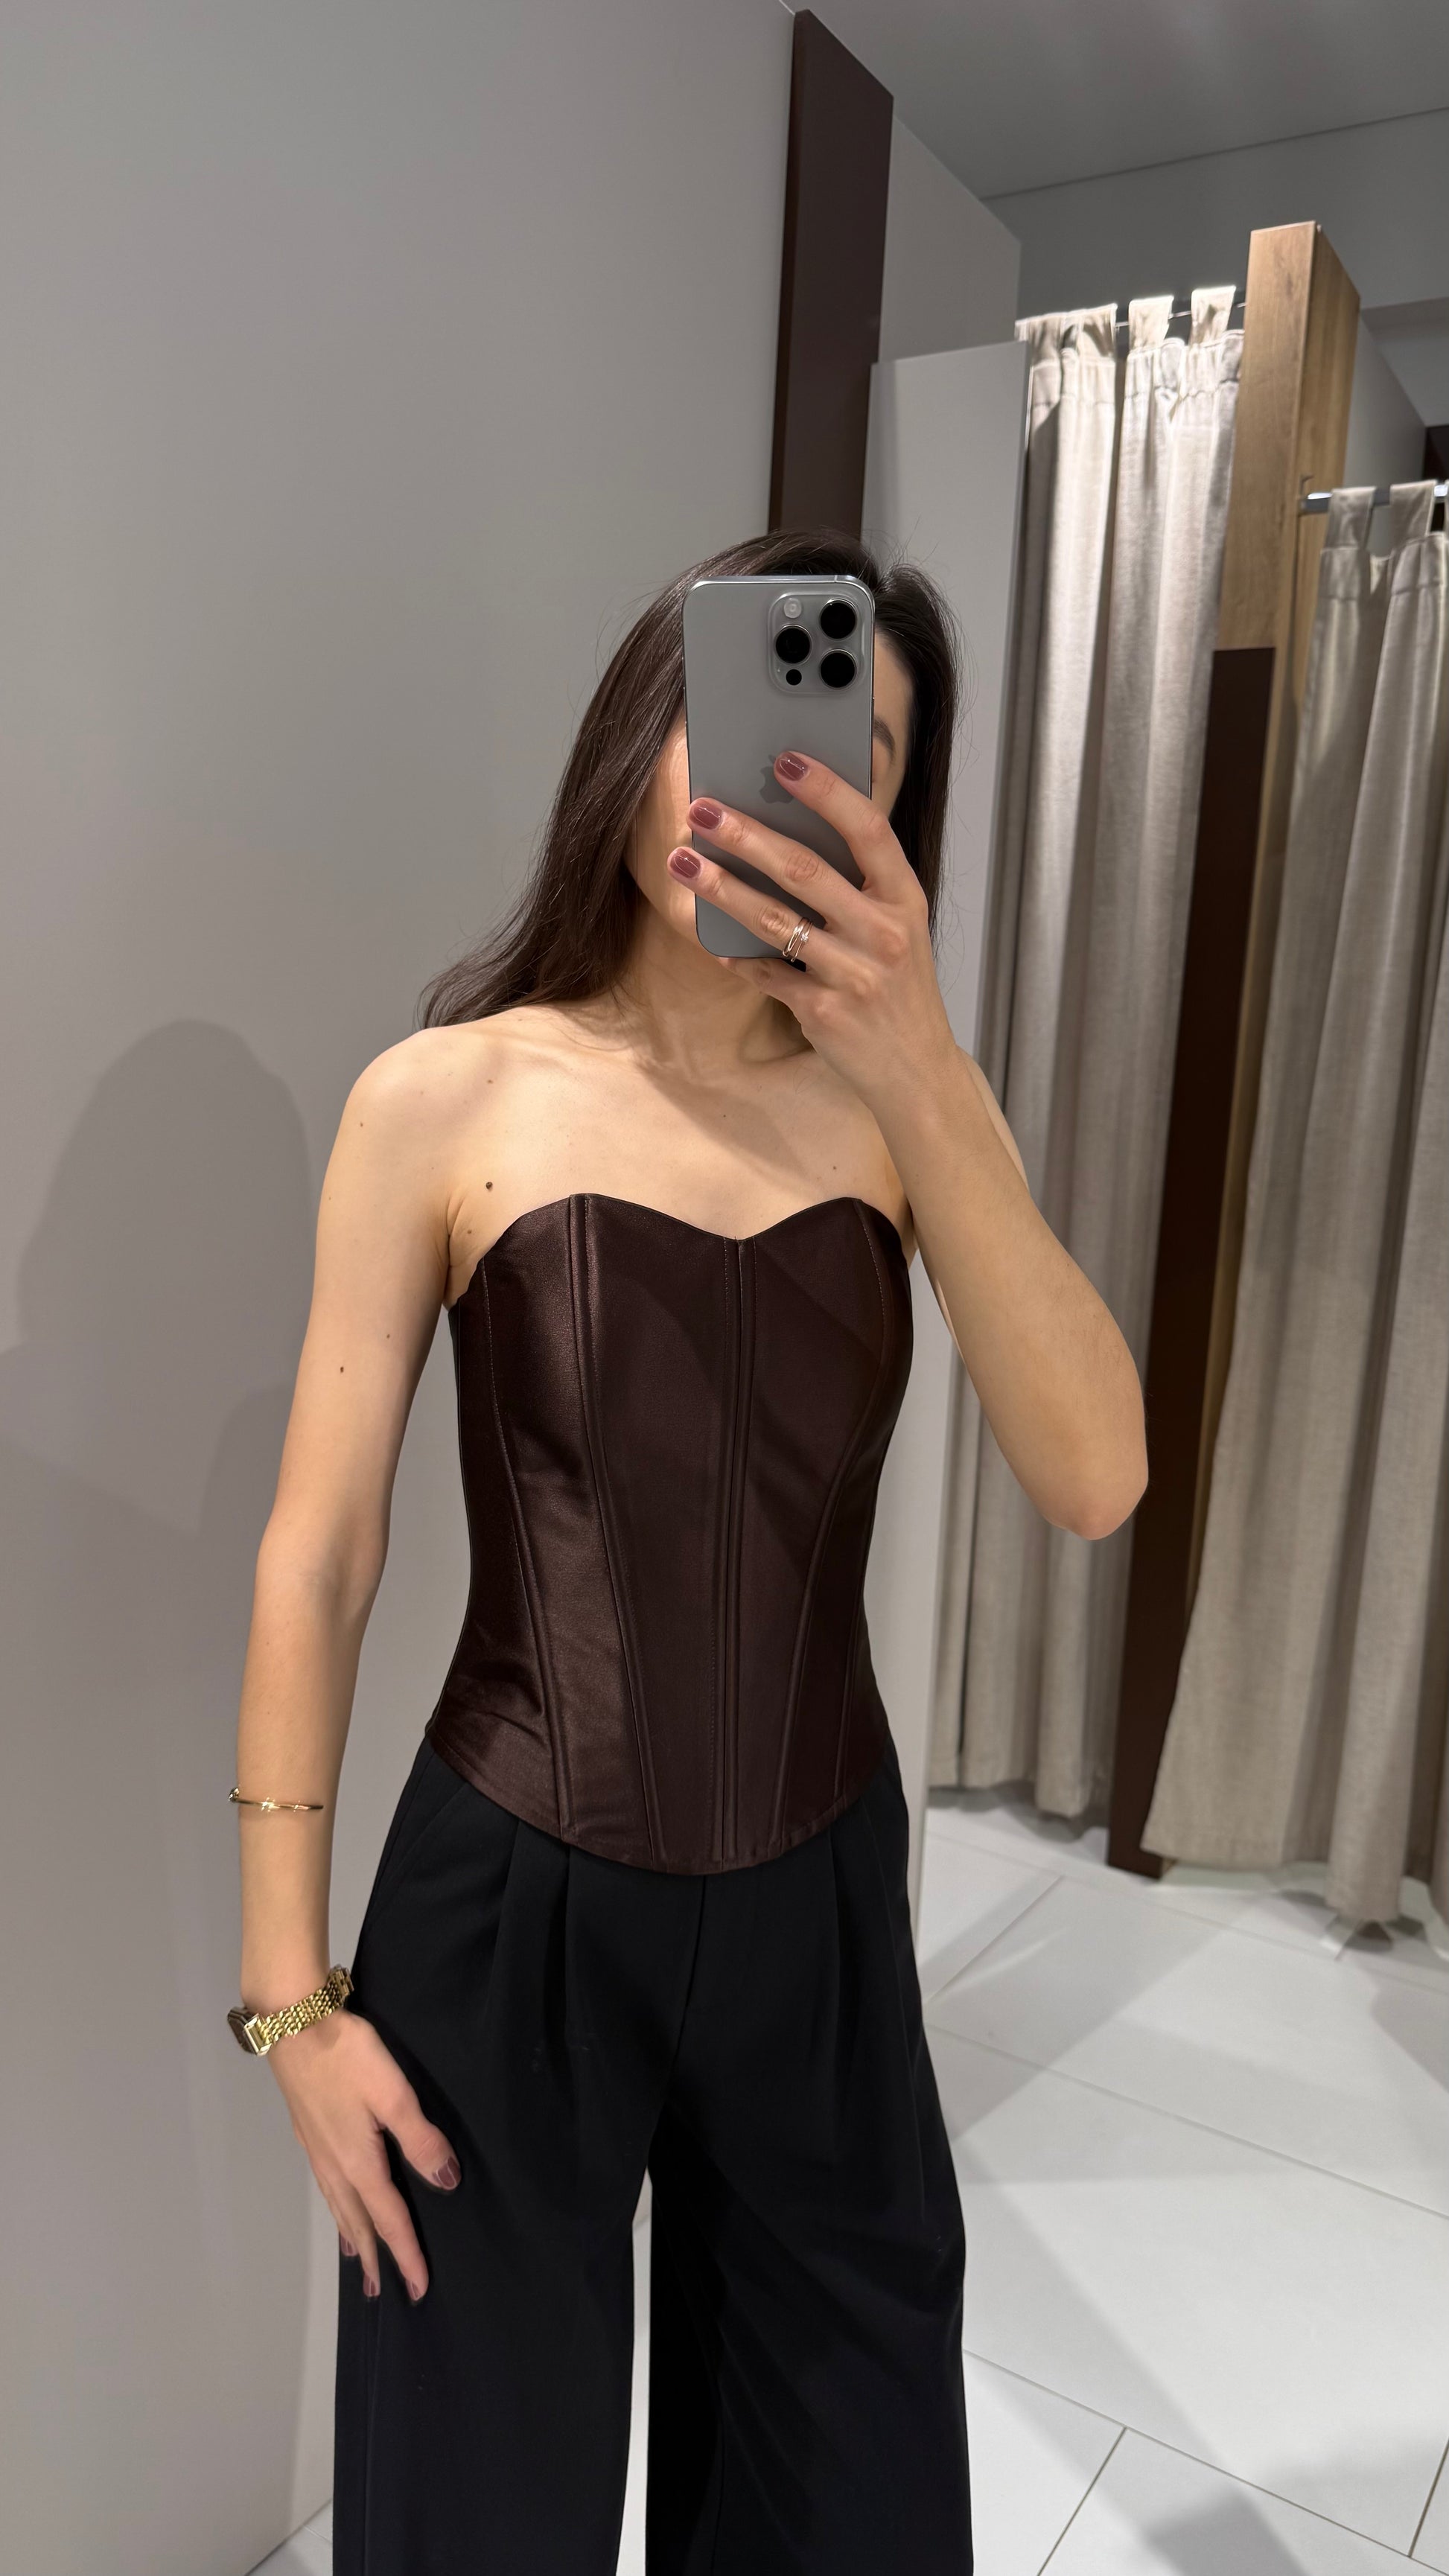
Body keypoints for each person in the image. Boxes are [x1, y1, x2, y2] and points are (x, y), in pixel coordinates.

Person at [231, 529, 1147, 2574]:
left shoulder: (909, 1118)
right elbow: (321, 1553)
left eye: (851, 758)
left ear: (893, 823)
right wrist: (288, 1994)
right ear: (646, 728)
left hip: (821, 1911)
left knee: (852, 2508)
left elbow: (1097, 1475)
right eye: (738, 716)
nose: (769, 785)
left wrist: (922, 1062)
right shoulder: (446, 1095)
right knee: (477, 2520)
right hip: (507, 1905)